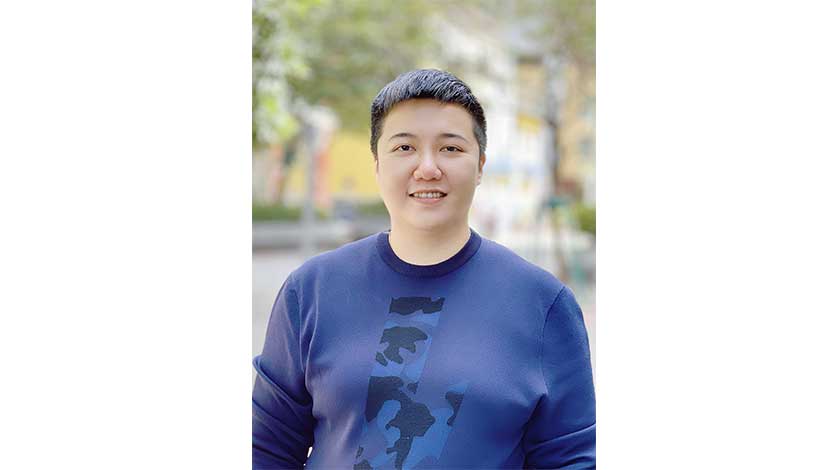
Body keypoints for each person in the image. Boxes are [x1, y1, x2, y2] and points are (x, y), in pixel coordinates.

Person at [253, 69, 595, 469]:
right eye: (404, 148)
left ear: (480, 165)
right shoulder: (311, 290)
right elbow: (267, 449)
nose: (428, 167)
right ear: (377, 164)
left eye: (450, 148)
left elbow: (571, 459)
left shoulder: (542, 303)